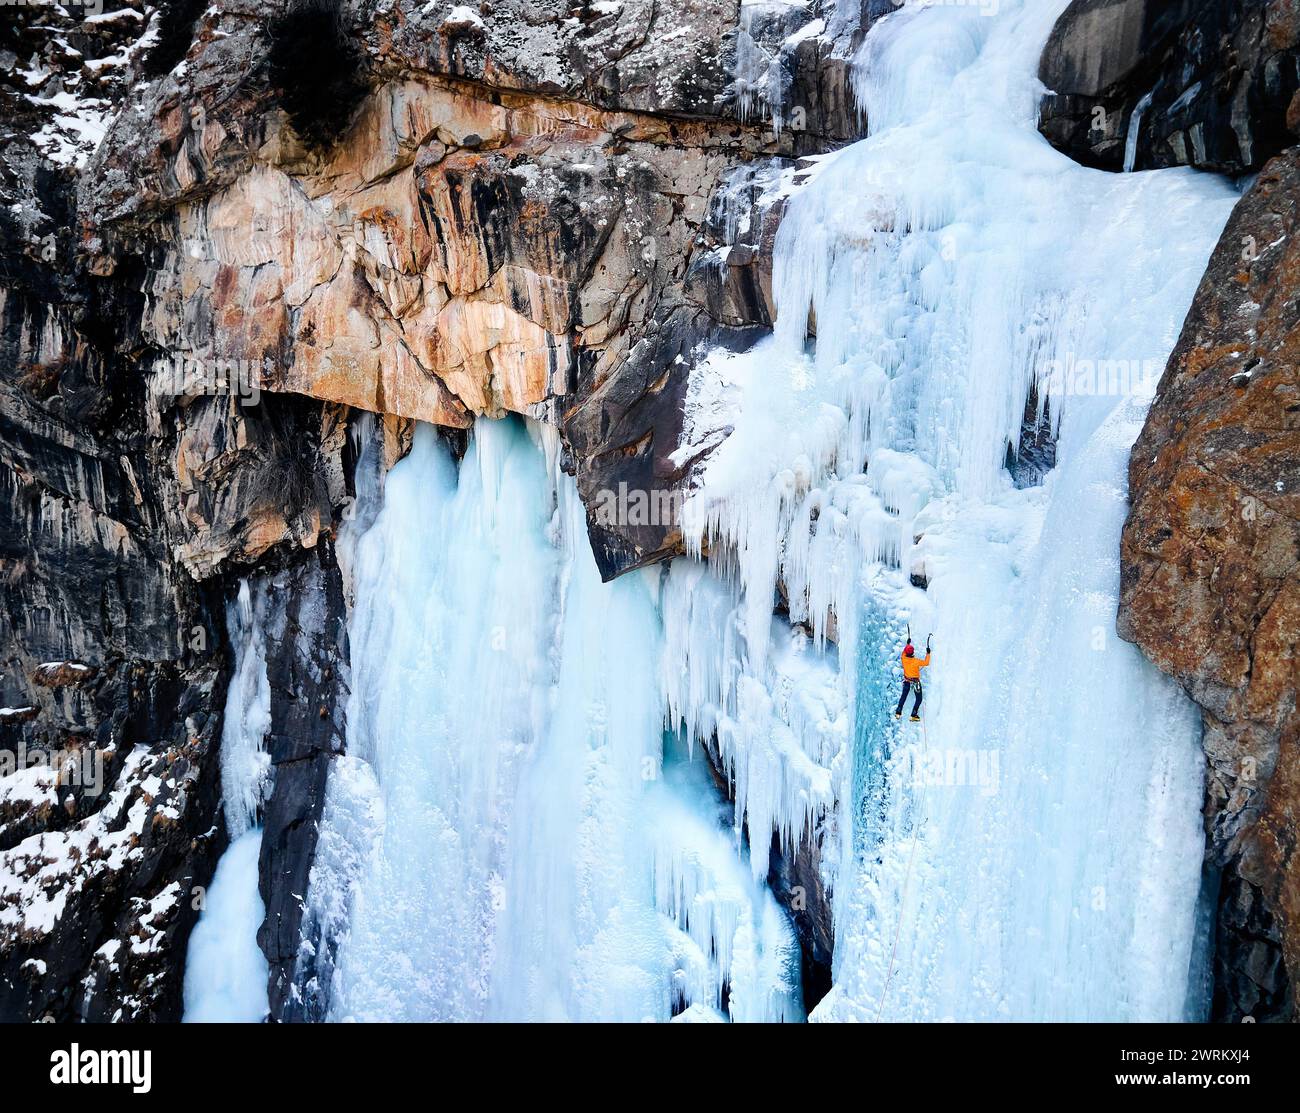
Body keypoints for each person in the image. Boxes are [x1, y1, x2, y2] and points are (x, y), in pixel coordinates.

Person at [894, 640, 930, 722]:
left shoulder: (903, 658)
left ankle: (898, 712)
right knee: (919, 698)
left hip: (907, 680)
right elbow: (926, 663)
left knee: (904, 696)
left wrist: (908, 644)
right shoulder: (916, 661)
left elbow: (904, 652)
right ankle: (913, 714)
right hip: (915, 682)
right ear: (913, 652)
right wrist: (928, 653)